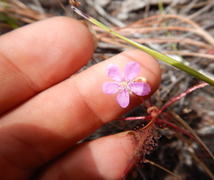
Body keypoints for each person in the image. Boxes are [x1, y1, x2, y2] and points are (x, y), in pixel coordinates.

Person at [0, 17, 161, 180]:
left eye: (127, 81)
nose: (125, 83)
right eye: (124, 82)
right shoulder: (114, 82)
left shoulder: (134, 82)